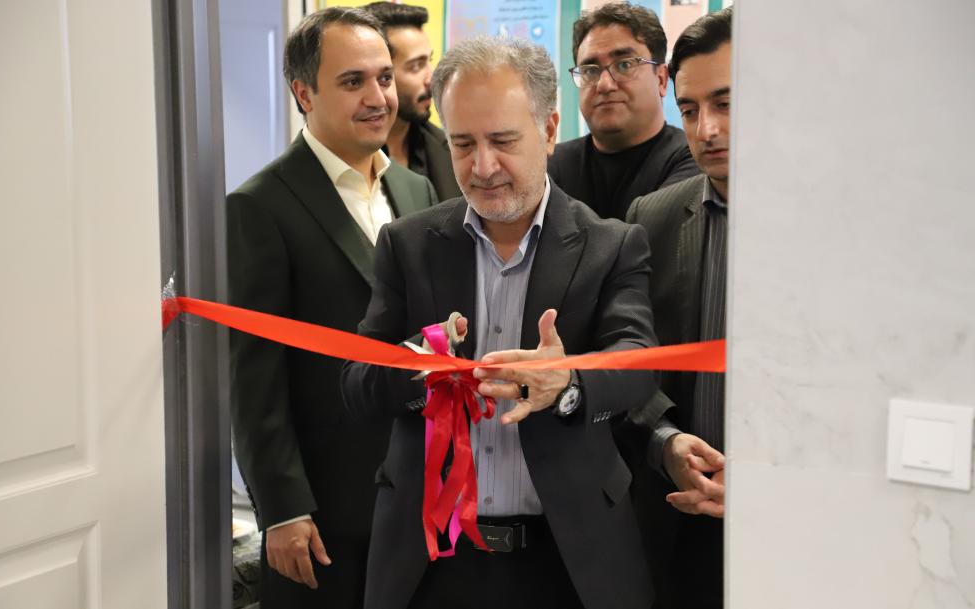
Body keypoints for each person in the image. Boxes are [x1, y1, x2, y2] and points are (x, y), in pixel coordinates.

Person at [341, 36, 665, 609]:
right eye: (463, 144)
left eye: (503, 141)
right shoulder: (408, 245)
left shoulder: (611, 245)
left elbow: (638, 362)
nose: (483, 167)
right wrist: (418, 368)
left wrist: (567, 383)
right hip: (429, 561)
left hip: (568, 562)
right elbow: (357, 385)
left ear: (549, 129)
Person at [227, 8, 437, 608]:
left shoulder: (416, 190)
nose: (378, 98)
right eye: (353, 82)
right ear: (304, 93)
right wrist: (283, 508)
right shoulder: (259, 206)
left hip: (420, 496)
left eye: (385, 78)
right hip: (324, 515)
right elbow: (254, 377)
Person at [623, 8, 733, 609]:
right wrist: (665, 440)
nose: (706, 129)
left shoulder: (833, 227)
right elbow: (631, 366)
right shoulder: (653, 217)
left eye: (726, 104)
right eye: (689, 110)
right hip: (677, 526)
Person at [548, 3, 699, 220]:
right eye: (590, 71)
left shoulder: (693, 160)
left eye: (624, 65)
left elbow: (651, 237)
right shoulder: (551, 164)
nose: (604, 84)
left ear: (661, 79)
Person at [364, 1, 462, 202]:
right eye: (416, 66)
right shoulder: (350, 156)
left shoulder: (449, 150)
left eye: (429, 61)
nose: (431, 79)